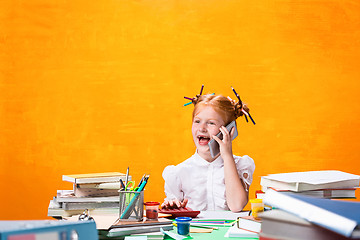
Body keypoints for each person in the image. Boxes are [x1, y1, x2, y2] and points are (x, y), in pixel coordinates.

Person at [161, 86, 255, 212]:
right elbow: (176, 215)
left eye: (211, 123)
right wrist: (172, 206)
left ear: (228, 130)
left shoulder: (240, 165)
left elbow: (237, 206)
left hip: (228, 231)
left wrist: (227, 155)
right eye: (197, 121)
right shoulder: (179, 173)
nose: (202, 128)